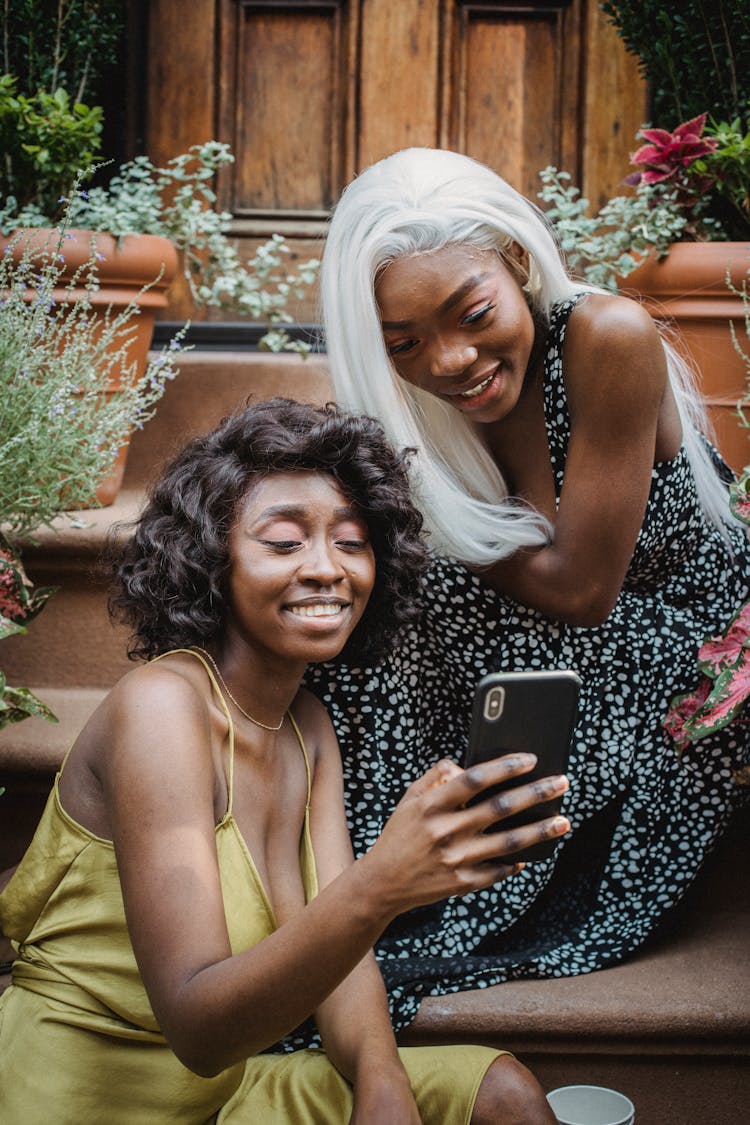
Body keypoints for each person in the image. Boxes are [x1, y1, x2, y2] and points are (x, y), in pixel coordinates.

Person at [0, 398, 566, 1124]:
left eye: (354, 542)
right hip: (85, 1094)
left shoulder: (308, 727)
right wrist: (383, 884)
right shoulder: (161, 710)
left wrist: (381, 1081)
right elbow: (200, 1029)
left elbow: (342, 961)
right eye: (284, 542)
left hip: (225, 1094)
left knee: (504, 1093)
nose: (328, 568)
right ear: (212, 557)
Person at [304, 146, 750, 1032]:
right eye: (404, 343)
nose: (453, 359)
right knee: (355, 609)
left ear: (516, 260)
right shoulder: (412, 403)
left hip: (669, 628)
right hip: (546, 620)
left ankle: (448, 900)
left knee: (420, 583)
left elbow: (584, 590)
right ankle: (339, 882)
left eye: (471, 313)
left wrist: (412, 506)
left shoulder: (606, 336)